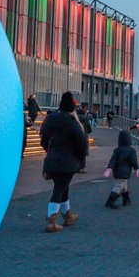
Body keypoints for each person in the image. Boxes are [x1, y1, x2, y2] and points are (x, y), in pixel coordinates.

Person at [39, 92, 89, 232]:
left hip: (52, 159)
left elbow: (44, 138)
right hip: (67, 162)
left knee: (63, 187)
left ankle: (68, 216)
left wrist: (49, 152)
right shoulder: (72, 122)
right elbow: (81, 143)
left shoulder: (51, 119)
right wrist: (80, 158)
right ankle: (52, 220)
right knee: (60, 188)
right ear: (72, 107)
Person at [105, 129, 139, 207]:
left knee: (124, 185)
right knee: (119, 186)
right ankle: (110, 201)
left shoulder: (117, 150)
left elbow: (112, 160)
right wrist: (136, 169)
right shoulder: (131, 150)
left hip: (117, 170)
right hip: (125, 171)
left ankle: (126, 199)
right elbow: (133, 161)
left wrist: (109, 169)